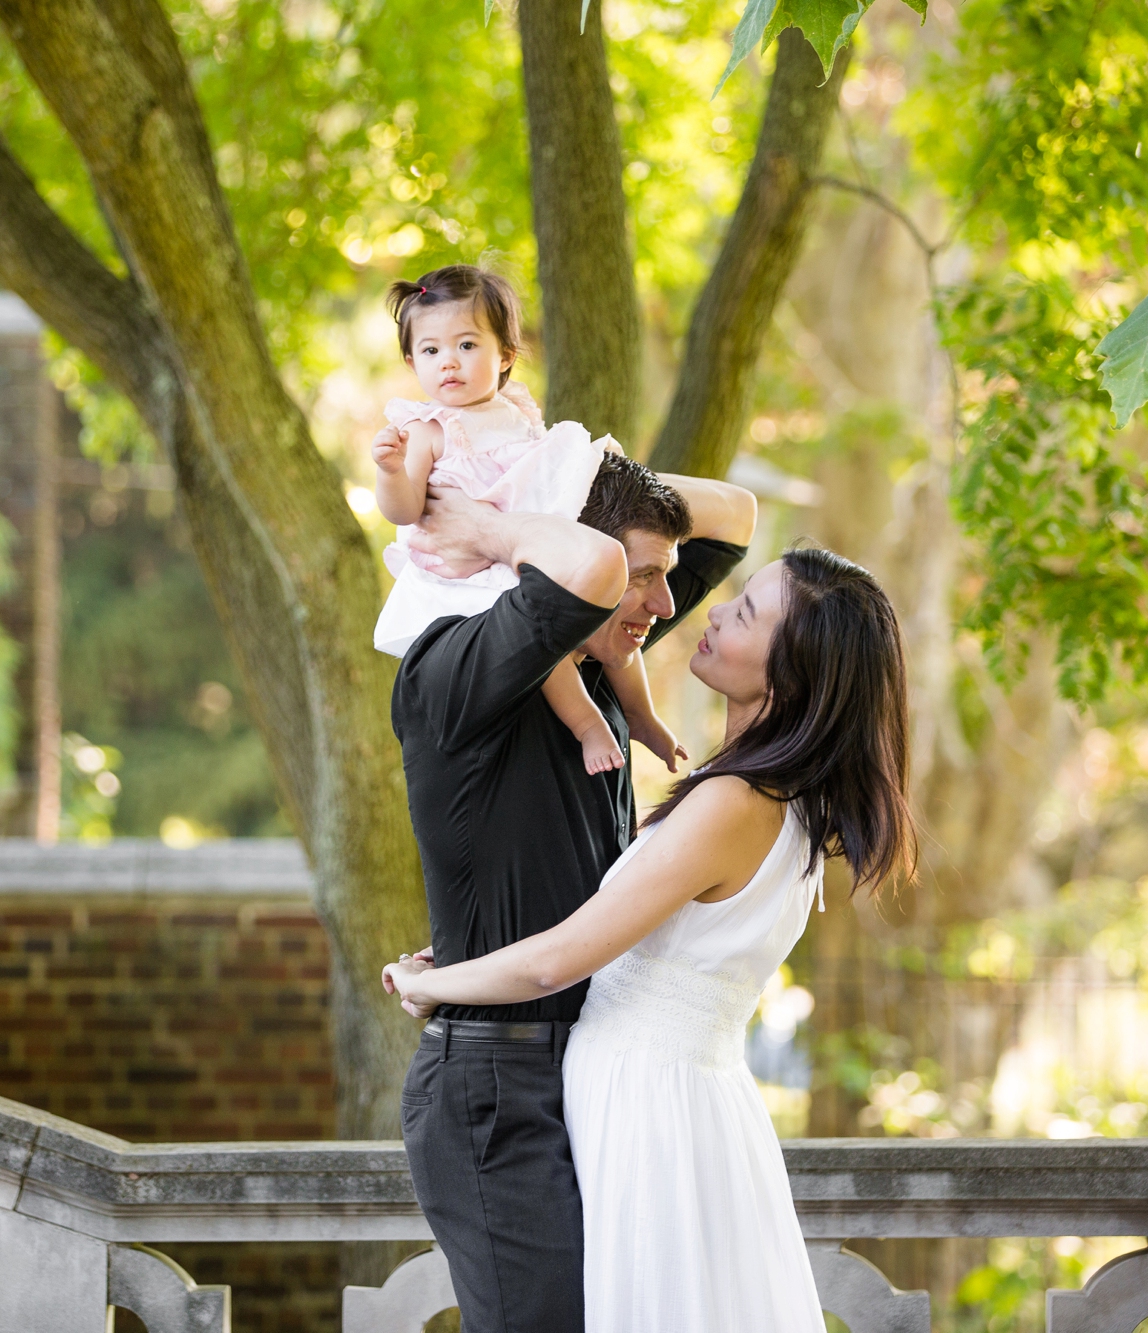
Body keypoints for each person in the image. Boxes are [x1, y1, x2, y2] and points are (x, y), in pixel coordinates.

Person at [385, 548, 916, 1332]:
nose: (711, 611)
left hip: (646, 1106)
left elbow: (558, 958)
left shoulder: (730, 802)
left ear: (791, 675)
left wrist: (429, 984)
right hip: (692, 1100)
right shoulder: (788, 803)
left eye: (746, 614)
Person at [389, 446, 758, 1333]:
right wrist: (491, 524)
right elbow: (591, 568)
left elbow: (734, 512)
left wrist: (547, 466)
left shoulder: (590, 669)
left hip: (593, 1070)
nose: (665, 605)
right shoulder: (454, 671)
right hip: (498, 1087)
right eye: (645, 577)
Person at [372, 264, 685, 775]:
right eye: (431, 351)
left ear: (506, 355)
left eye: (467, 346)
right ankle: (588, 726)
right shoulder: (427, 429)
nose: (448, 362)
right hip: (474, 568)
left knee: (614, 610)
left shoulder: (514, 410)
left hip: (529, 538)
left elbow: (538, 473)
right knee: (541, 628)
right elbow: (404, 509)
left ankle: (642, 712)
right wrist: (389, 471)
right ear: (412, 361)